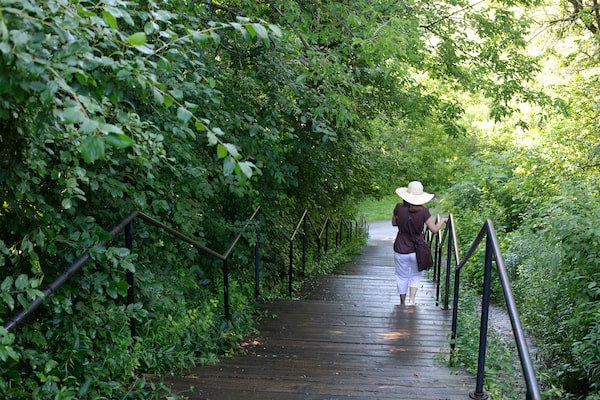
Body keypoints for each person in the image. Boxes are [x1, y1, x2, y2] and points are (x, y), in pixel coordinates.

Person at [392, 181, 447, 306]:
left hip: (401, 247)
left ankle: (402, 302)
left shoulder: (398, 208)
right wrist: (442, 220)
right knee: (416, 275)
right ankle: (411, 301)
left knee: (401, 276)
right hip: (417, 248)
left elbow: (394, 223)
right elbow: (434, 229)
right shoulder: (424, 211)